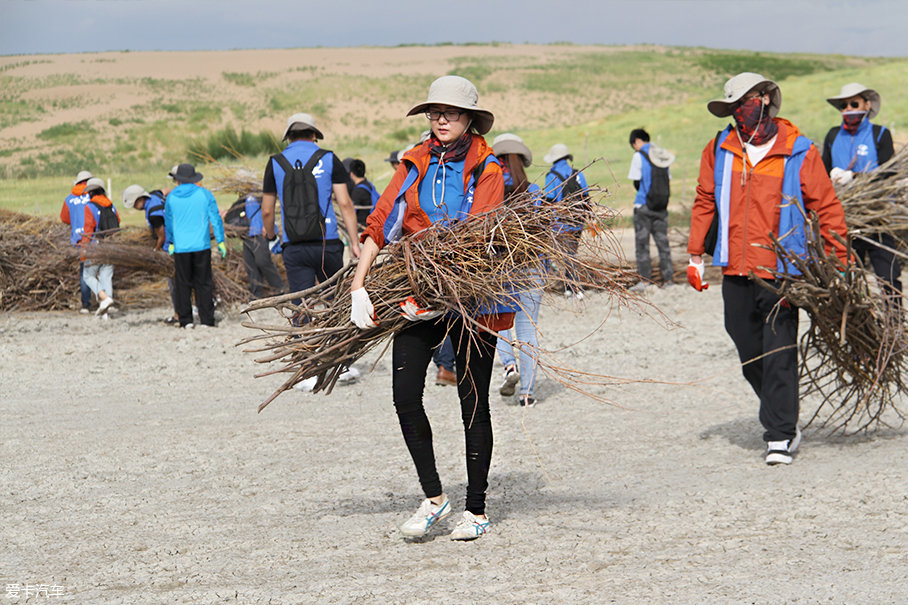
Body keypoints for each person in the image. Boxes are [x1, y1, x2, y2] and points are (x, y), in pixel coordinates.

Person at [350, 75, 509, 540]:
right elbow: (380, 222)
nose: (441, 119)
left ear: (469, 120)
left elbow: (476, 241)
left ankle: (476, 510)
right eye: (435, 112)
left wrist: (434, 300)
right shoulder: (414, 161)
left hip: (472, 296)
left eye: (452, 113)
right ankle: (435, 498)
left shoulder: (488, 167)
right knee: (404, 397)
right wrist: (360, 286)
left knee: (473, 403)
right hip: (415, 290)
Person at [687, 72, 848, 466]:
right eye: (734, 106)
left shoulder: (799, 150)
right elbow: (705, 199)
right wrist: (694, 256)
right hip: (734, 269)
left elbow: (826, 207)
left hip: (782, 271)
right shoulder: (720, 147)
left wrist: (839, 261)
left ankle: (781, 433)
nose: (742, 111)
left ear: (766, 99)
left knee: (778, 350)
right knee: (748, 350)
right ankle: (782, 410)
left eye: (748, 100)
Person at [822, 83, 899, 305]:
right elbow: (822, 170)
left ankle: (894, 330)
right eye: (843, 105)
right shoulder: (833, 135)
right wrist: (832, 175)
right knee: (846, 280)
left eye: (854, 103)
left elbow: (889, 173)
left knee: (888, 279)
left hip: (879, 219)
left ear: (867, 105)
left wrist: (854, 177)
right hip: (843, 221)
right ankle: (855, 332)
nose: (848, 108)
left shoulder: (879, 134)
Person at [493, 133, 544, 407]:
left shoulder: (490, 191)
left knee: (500, 324)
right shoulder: (534, 192)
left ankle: (509, 367)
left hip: (500, 269)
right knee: (527, 332)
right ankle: (527, 394)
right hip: (533, 268)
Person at [164, 163, 227, 329]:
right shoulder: (204, 194)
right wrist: (220, 241)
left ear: (178, 180)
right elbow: (216, 219)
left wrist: (170, 242)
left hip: (181, 247)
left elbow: (169, 223)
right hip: (201, 245)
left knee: (182, 284)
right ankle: (206, 319)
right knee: (204, 283)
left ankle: (186, 321)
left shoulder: (170, 197)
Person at [123, 183, 181, 323]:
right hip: (181, 238)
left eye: (134, 204)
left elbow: (162, 236)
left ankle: (178, 314)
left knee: (174, 283)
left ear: (139, 200)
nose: (136, 208)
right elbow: (167, 189)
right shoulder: (155, 194)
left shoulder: (153, 214)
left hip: (170, 248)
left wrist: (155, 251)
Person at [627, 128, 675, 290]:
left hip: (644, 206)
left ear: (637, 141)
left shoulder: (638, 155)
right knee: (663, 244)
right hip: (661, 206)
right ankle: (668, 280)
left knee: (642, 246)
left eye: (633, 144)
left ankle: (645, 281)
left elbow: (636, 182)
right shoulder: (662, 155)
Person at [543, 143, 589, 299]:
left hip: (561, 223)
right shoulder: (577, 173)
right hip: (578, 221)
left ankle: (576, 288)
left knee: (567, 255)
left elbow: (549, 201)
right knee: (571, 253)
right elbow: (586, 196)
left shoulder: (552, 176)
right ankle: (569, 287)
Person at [80, 177, 120, 318]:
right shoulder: (111, 206)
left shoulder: (90, 207)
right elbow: (118, 222)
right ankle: (106, 314)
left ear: (90, 192)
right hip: (111, 246)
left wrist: (84, 249)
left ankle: (104, 297)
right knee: (106, 277)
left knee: (88, 276)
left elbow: (88, 230)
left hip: (96, 247)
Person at [61, 170, 94, 313]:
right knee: (100, 270)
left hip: (79, 240)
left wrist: (75, 222)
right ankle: (104, 299)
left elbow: (64, 218)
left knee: (84, 272)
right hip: (94, 236)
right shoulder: (92, 195)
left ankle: (86, 305)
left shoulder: (69, 199)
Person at [240, 194, 286, 299]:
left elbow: (269, 210)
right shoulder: (245, 197)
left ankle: (279, 287)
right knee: (250, 265)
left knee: (263, 262)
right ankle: (256, 293)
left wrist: (268, 227)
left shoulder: (260, 195)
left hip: (260, 233)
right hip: (247, 234)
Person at [348, 159, 380, 228]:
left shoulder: (357, 192)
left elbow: (351, 213)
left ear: (351, 174)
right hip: (372, 222)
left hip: (363, 227)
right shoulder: (369, 184)